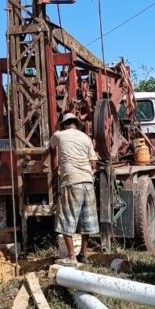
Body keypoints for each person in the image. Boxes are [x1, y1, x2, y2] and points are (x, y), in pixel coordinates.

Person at [49, 111, 99, 266]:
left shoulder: (59, 135)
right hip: (87, 182)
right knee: (87, 221)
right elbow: (93, 163)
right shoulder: (86, 138)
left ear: (64, 124)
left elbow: (51, 147)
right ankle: (83, 254)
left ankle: (71, 256)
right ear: (76, 124)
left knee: (66, 220)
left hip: (71, 181)